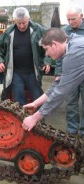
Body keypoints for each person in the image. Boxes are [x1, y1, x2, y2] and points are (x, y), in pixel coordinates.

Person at [22, 28, 84, 133]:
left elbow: (61, 92)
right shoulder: (72, 43)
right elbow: (59, 83)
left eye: (46, 49)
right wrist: (36, 103)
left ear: (54, 44)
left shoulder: (74, 54)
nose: (46, 54)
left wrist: (35, 118)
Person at [0, 7, 50, 105]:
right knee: (18, 99)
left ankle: (39, 119)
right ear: (14, 21)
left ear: (29, 19)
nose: (22, 26)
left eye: (24, 22)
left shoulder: (38, 30)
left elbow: (48, 46)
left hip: (33, 72)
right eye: (19, 23)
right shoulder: (9, 32)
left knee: (38, 98)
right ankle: (21, 119)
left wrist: (46, 61)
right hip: (16, 73)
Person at [54, 5, 84, 136]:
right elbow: (60, 55)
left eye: (73, 19)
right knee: (71, 102)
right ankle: (72, 129)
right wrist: (59, 73)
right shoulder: (64, 32)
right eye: (68, 19)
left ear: (81, 16)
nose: (71, 22)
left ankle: (83, 131)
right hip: (70, 75)